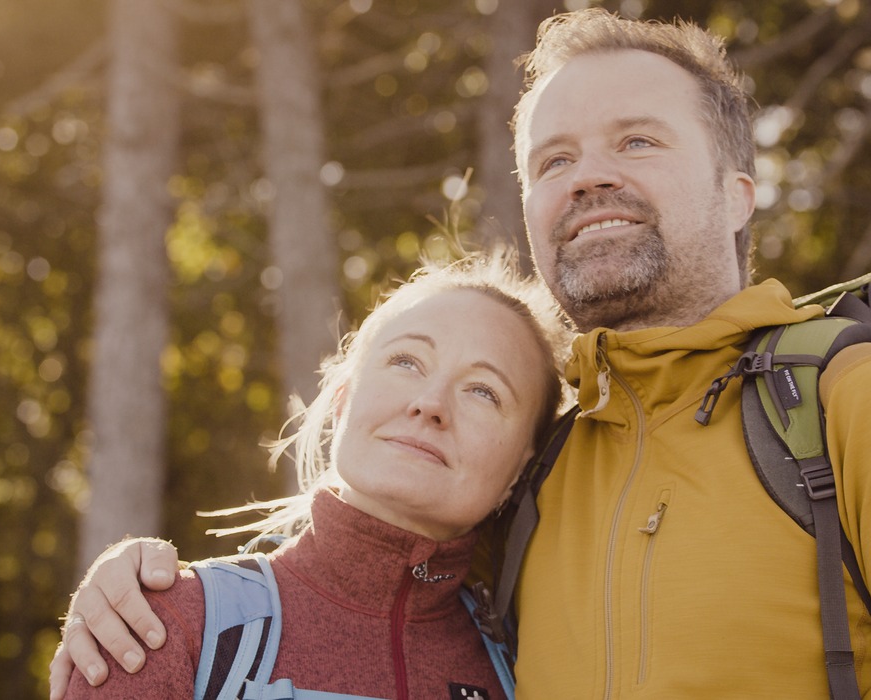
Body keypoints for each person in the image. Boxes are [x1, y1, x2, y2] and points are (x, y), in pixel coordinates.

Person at [52, 9, 871, 698]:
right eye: (554, 159)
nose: (589, 178)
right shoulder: (541, 464)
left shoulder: (862, 403)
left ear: (738, 192)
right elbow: (374, 574)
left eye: (637, 142)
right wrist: (140, 586)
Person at [58, 254, 569, 698]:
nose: (430, 404)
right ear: (344, 396)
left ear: (520, 469)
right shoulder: (163, 627)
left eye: (484, 391)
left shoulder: (529, 669)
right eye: (407, 361)